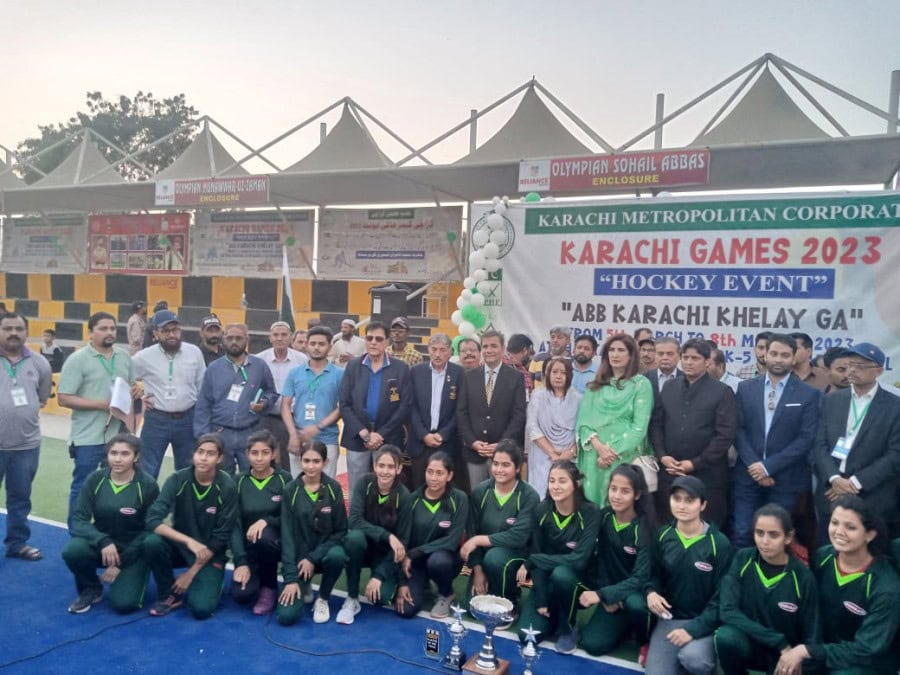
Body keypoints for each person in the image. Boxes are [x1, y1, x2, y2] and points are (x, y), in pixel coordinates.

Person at [778, 496, 900, 674]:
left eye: (850, 527)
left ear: (870, 535)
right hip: (824, 650)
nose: (839, 531)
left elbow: (868, 649)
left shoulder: (885, 586)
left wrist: (808, 651)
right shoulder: (823, 557)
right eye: (834, 522)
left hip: (866, 662)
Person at [731, 334, 821, 549]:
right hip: (747, 474)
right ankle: (743, 578)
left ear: (793, 358)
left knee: (776, 536)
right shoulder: (745, 388)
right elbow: (738, 430)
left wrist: (768, 467)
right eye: (774, 353)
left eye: (785, 355)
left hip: (786, 478)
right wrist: (756, 466)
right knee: (743, 532)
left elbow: (806, 438)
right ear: (765, 354)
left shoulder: (809, 394)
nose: (778, 359)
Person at [642, 476, 734, 675]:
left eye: (690, 500)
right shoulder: (663, 535)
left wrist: (693, 630)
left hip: (704, 622)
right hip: (669, 620)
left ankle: (700, 657)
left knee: (695, 660)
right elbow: (653, 574)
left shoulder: (720, 544)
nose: (682, 505)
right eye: (677, 499)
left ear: (703, 505)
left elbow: (723, 599)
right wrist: (651, 592)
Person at [714, 504, 819, 674]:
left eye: (773, 535)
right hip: (752, 645)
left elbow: (812, 635)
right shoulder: (741, 559)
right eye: (759, 533)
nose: (764, 541)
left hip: (786, 655)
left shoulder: (803, 577)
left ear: (788, 537)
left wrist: (795, 656)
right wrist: (778, 641)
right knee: (726, 637)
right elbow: (727, 611)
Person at [143, 434, 238, 619]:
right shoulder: (177, 479)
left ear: (219, 459)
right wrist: (188, 541)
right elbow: (152, 519)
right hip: (181, 547)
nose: (203, 457)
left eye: (210, 454)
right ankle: (168, 592)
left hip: (211, 552)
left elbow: (221, 536)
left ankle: (198, 580)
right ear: (193, 454)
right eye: (200, 452)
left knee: (201, 610)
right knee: (151, 543)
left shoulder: (226, 485)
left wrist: (190, 574)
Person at [62, 434, 159, 613]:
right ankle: (91, 588)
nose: (118, 459)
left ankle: (132, 575)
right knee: (73, 550)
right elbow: (79, 519)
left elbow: (151, 528)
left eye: (125, 454)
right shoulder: (96, 479)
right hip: (103, 545)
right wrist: (102, 541)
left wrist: (119, 564)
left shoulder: (147, 485)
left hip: (133, 550)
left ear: (136, 457)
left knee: (124, 605)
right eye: (113, 453)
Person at [814, 342, 900, 539]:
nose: (852, 370)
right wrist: (834, 478)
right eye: (850, 364)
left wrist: (853, 483)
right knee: (827, 555)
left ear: (878, 371)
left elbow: (895, 456)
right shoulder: (831, 400)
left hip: (872, 497)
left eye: (860, 366)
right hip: (831, 493)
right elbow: (819, 444)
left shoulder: (894, 407)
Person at [58, 311, 133, 533]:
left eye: (112, 328)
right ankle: (77, 532)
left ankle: (107, 532)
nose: (109, 332)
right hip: (88, 437)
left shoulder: (123, 356)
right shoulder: (77, 359)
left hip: (118, 437)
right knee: (83, 487)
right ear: (90, 332)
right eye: (103, 328)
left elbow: (130, 386)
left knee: (113, 488)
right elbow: (64, 397)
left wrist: (137, 390)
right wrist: (101, 404)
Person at [649, 337, 736, 527]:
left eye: (695, 358)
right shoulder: (670, 387)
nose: (689, 362)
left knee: (705, 528)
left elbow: (724, 436)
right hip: (670, 471)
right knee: (668, 527)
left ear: (707, 362)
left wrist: (694, 463)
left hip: (707, 474)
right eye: (685, 357)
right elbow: (657, 424)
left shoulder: (722, 392)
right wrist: (662, 456)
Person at [516, 460, 601, 653]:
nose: (555, 486)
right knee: (526, 636)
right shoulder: (541, 510)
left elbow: (580, 559)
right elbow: (536, 555)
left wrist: (537, 560)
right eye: (551, 480)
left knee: (562, 573)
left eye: (562, 481)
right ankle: (552, 611)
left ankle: (568, 625)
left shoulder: (591, 512)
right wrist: (542, 597)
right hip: (546, 578)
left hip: (578, 579)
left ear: (576, 484)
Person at [579, 464, 653, 657]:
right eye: (614, 489)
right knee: (592, 644)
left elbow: (641, 577)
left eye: (625, 491)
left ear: (637, 495)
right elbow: (600, 561)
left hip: (634, 594)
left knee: (637, 606)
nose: (617, 496)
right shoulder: (603, 517)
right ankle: (622, 627)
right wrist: (606, 596)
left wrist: (605, 595)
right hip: (610, 593)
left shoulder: (645, 529)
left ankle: (644, 637)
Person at [576, 334, 653, 507]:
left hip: (624, 457)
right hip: (594, 456)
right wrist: (599, 448)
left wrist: (610, 453)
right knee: (592, 506)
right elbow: (583, 424)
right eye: (611, 350)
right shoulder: (595, 385)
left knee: (619, 507)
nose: (615, 354)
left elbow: (639, 428)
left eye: (621, 350)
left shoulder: (641, 385)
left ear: (631, 355)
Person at [277, 441, 349, 625]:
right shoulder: (290, 490)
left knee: (337, 555)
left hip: (322, 556)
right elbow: (286, 536)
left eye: (316, 461)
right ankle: (303, 584)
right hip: (299, 561)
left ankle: (323, 598)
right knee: (287, 617)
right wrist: (291, 578)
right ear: (300, 461)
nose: (310, 466)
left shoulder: (333, 488)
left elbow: (341, 530)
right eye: (306, 460)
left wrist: (312, 557)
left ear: (325, 462)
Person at [339, 444, 412, 625]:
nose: (385, 471)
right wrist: (387, 535)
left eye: (390, 467)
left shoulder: (404, 496)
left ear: (398, 468)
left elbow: (402, 543)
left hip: (386, 555)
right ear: (374, 466)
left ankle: (384, 578)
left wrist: (379, 575)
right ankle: (352, 597)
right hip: (363, 548)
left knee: (381, 598)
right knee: (353, 538)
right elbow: (354, 520)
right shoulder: (364, 483)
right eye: (381, 465)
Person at [462, 440, 540, 608]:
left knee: (495, 558)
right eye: (496, 464)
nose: (499, 469)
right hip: (484, 559)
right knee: (471, 607)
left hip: (515, 554)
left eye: (506, 465)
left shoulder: (529, 496)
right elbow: (471, 531)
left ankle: (511, 599)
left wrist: (478, 540)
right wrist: (477, 570)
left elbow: (518, 537)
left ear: (518, 468)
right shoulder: (480, 491)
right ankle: (488, 582)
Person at [0, 312, 52, 561]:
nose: (13, 333)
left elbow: (42, 398)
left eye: (18, 328)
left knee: (20, 497)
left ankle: (17, 544)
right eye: (7, 328)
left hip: (26, 445)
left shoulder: (40, 363)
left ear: (26, 332)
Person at [194, 323, 278, 474]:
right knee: (222, 478)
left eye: (239, 338)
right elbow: (204, 403)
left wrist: (264, 403)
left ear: (247, 339)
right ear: (223, 339)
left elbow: (271, 392)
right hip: (220, 432)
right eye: (230, 338)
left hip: (250, 431)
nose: (234, 342)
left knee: (251, 476)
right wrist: (203, 435)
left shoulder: (259, 366)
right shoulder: (214, 368)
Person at [131, 310, 206, 478]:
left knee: (187, 470)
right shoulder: (144, 357)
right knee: (147, 470)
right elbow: (122, 377)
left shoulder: (194, 352)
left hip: (188, 419)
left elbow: (202, 387)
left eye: (175, 330)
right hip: (156, 420)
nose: (172, 334)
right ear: (155, 334)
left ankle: (184, 505)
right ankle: (147, 504)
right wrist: (139, 392)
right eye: (165, 331)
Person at [338, 321, 410, 493]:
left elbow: (405, 406)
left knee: (387, 486)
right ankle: (357, 519)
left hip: (388, 437)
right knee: (357, 486)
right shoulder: (353, 366)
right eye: (369, 338)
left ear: (387, 342)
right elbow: (344, 403)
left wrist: (380, 434)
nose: (373, 342)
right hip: (357, 436)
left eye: (379, 339)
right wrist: (364, 433)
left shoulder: (400, 368)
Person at [396, 452, 468, 619]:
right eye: (430, 472)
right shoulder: (412, 500)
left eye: (439, 473)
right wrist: (403, 582)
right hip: (417, 563)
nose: (433, 478)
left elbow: (452, 540)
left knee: (438, 561)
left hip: (446, 559)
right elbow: (403, 539)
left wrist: (416, 552)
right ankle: (423, 584)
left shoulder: (459, 499)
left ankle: (446, 594)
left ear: (449, 476)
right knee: (406, 610)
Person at [230, 430, 292, 616]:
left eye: (265, 453)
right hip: (249, 547)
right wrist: (240, 561)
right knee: (242, 596)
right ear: (247, 454)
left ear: (273, 454)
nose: (259, 458)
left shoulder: (284, 479)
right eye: (254, 453)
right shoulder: (239, 481)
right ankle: (251, 569)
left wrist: (265, 521)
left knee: (264, 537)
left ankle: (269, 587)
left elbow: (290, 518)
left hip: (275, 543)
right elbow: (234, 523)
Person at [458, 330, 527, 488]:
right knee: (476, 499)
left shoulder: (516, 378)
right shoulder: (469, 377)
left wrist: (501, 444)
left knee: (501, 497)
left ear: (503, 349)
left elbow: (519, 415)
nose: (489, 350)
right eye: (486, 346)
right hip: (474, 453)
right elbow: (461, 413)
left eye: (494, 346)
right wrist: (473, 442)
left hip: (504, 454)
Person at [282, 326, 343, 478]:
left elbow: (342, 407)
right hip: (299, 438)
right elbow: (285, 405)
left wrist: (318, 427)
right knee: (298, 484)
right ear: (307, 345)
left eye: (321, 344)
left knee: (325, 486)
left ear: (329, 346)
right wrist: (292, 434)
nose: (316, 348)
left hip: (327, 438)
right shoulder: (295, 373)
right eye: (313, 343)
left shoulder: (340, 374)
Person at [406, 333, 463, 489]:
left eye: (443, 350)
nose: (438, 354)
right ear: (428, 350)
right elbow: (410, 407)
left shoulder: (459, 374)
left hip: (447, 442)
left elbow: (460, 410)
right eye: (434, 349)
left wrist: (442, 434)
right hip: (420, 441)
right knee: (418, 486)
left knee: (445, 488)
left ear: (450, 352)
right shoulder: (416, 372)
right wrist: (424, 434)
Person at [255, 321, 308, 469]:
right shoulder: (259, 360)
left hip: (292, 418)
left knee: (289, 461)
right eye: (276, 335)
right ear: (270, 338)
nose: (280, 338)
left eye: (284, 334)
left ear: (290, 337)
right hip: (266, 418)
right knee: (265, 459)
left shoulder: (301, 360)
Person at [527, 356, 581, 497]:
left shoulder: (579, 399)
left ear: (570, 375)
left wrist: (570, 452)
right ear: (548, 374)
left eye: (563, 373)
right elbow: (533, 428)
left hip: (568, 456)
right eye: (554, 372)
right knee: (541, 494)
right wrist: (552, 453)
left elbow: (581, 430)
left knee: (566, 494)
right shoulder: (538, 396)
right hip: (542, 454)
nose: (558, 376)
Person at [645, 337, 682, 402]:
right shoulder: (645, 378)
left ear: (679, 356)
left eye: (670, 354)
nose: (665, 358)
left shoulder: (687, 379)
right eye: (660, 354)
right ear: (655, 355)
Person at [503, 333, 535, 400]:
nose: (530, 358)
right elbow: (525, 399)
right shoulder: (521, 373)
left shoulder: (492, 363)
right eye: (530, 352)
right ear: (524, 351)